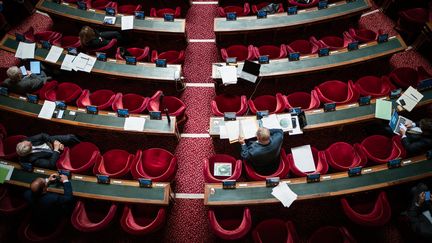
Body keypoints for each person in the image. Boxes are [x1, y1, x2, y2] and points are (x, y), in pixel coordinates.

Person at [16, 133, 80, 169]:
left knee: (70, 137)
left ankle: (82, 144)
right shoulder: (33, 159)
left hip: (50, 142)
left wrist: (55, 142)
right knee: (73, 157)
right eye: (30, 143)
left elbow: (42, 135)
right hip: (53, 154)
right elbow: (51, 164)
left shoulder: (25, 141)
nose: (30, 141)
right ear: (29, 150)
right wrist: (56, 149)